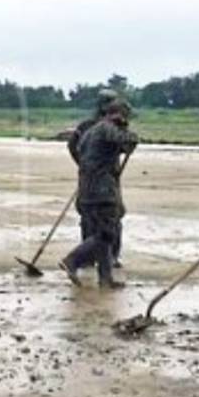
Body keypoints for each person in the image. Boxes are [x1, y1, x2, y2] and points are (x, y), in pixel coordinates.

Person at [59, 99, 138, 289]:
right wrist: (129, 133)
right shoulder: (106, 128)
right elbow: (127, 140)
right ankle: (73, 259)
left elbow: (79, 150)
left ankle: (105, 278)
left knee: (102, 235)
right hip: (102, 190)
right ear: (117, 115)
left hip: (87, 189)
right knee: (106, 234)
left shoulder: (89, 133)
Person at [67, 88, 124, 265]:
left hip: (101, 177)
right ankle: (100, 258)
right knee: (102, 218)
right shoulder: (94, 126)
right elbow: (72, 146)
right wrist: (88, 166)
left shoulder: (100, 125)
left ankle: (104, 258)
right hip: (101, 180)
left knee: (100, 217)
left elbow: (72, 147)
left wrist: (86, 167)